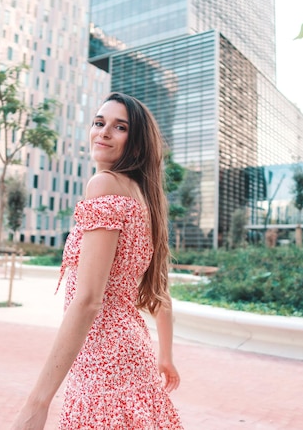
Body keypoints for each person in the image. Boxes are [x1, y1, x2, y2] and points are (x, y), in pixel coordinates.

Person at [11, 92, 183, 429]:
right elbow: (161, 292)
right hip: (132, 358)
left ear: (135, 144)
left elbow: (88, 300)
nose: (103, 132)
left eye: (119, 127)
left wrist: (37, 403)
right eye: (99, 122)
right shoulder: (142, 196)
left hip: (103, 365)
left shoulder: (104, 184)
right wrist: (165, 355)